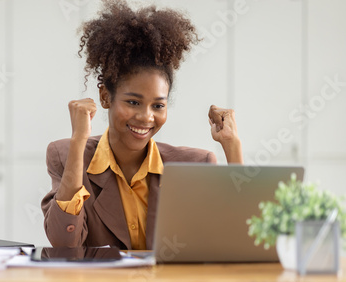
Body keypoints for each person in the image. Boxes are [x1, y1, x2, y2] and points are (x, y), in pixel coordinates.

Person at [41, 0, 243, 250]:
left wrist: (232, 147)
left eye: (158, 106)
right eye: (134, 102)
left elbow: (239, 239)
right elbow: (64, 243)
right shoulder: (67, 157)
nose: (146, 117)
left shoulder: (193, 166)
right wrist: (78, 140)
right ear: (105, 97)